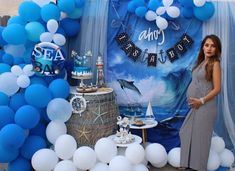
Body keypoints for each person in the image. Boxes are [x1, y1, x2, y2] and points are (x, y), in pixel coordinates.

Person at [179, 34, 222, 171]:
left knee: (201, 139)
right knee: (185, 132)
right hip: (196, 106)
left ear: (217, 49)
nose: (209, 48)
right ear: (203, 47)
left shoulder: (215, 64)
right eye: (207, 45)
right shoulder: (201, 63)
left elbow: (217, 89)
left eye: (213, 46)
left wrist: (201, 100)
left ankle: (199, 167)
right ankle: (187, 164)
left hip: (206, 107)